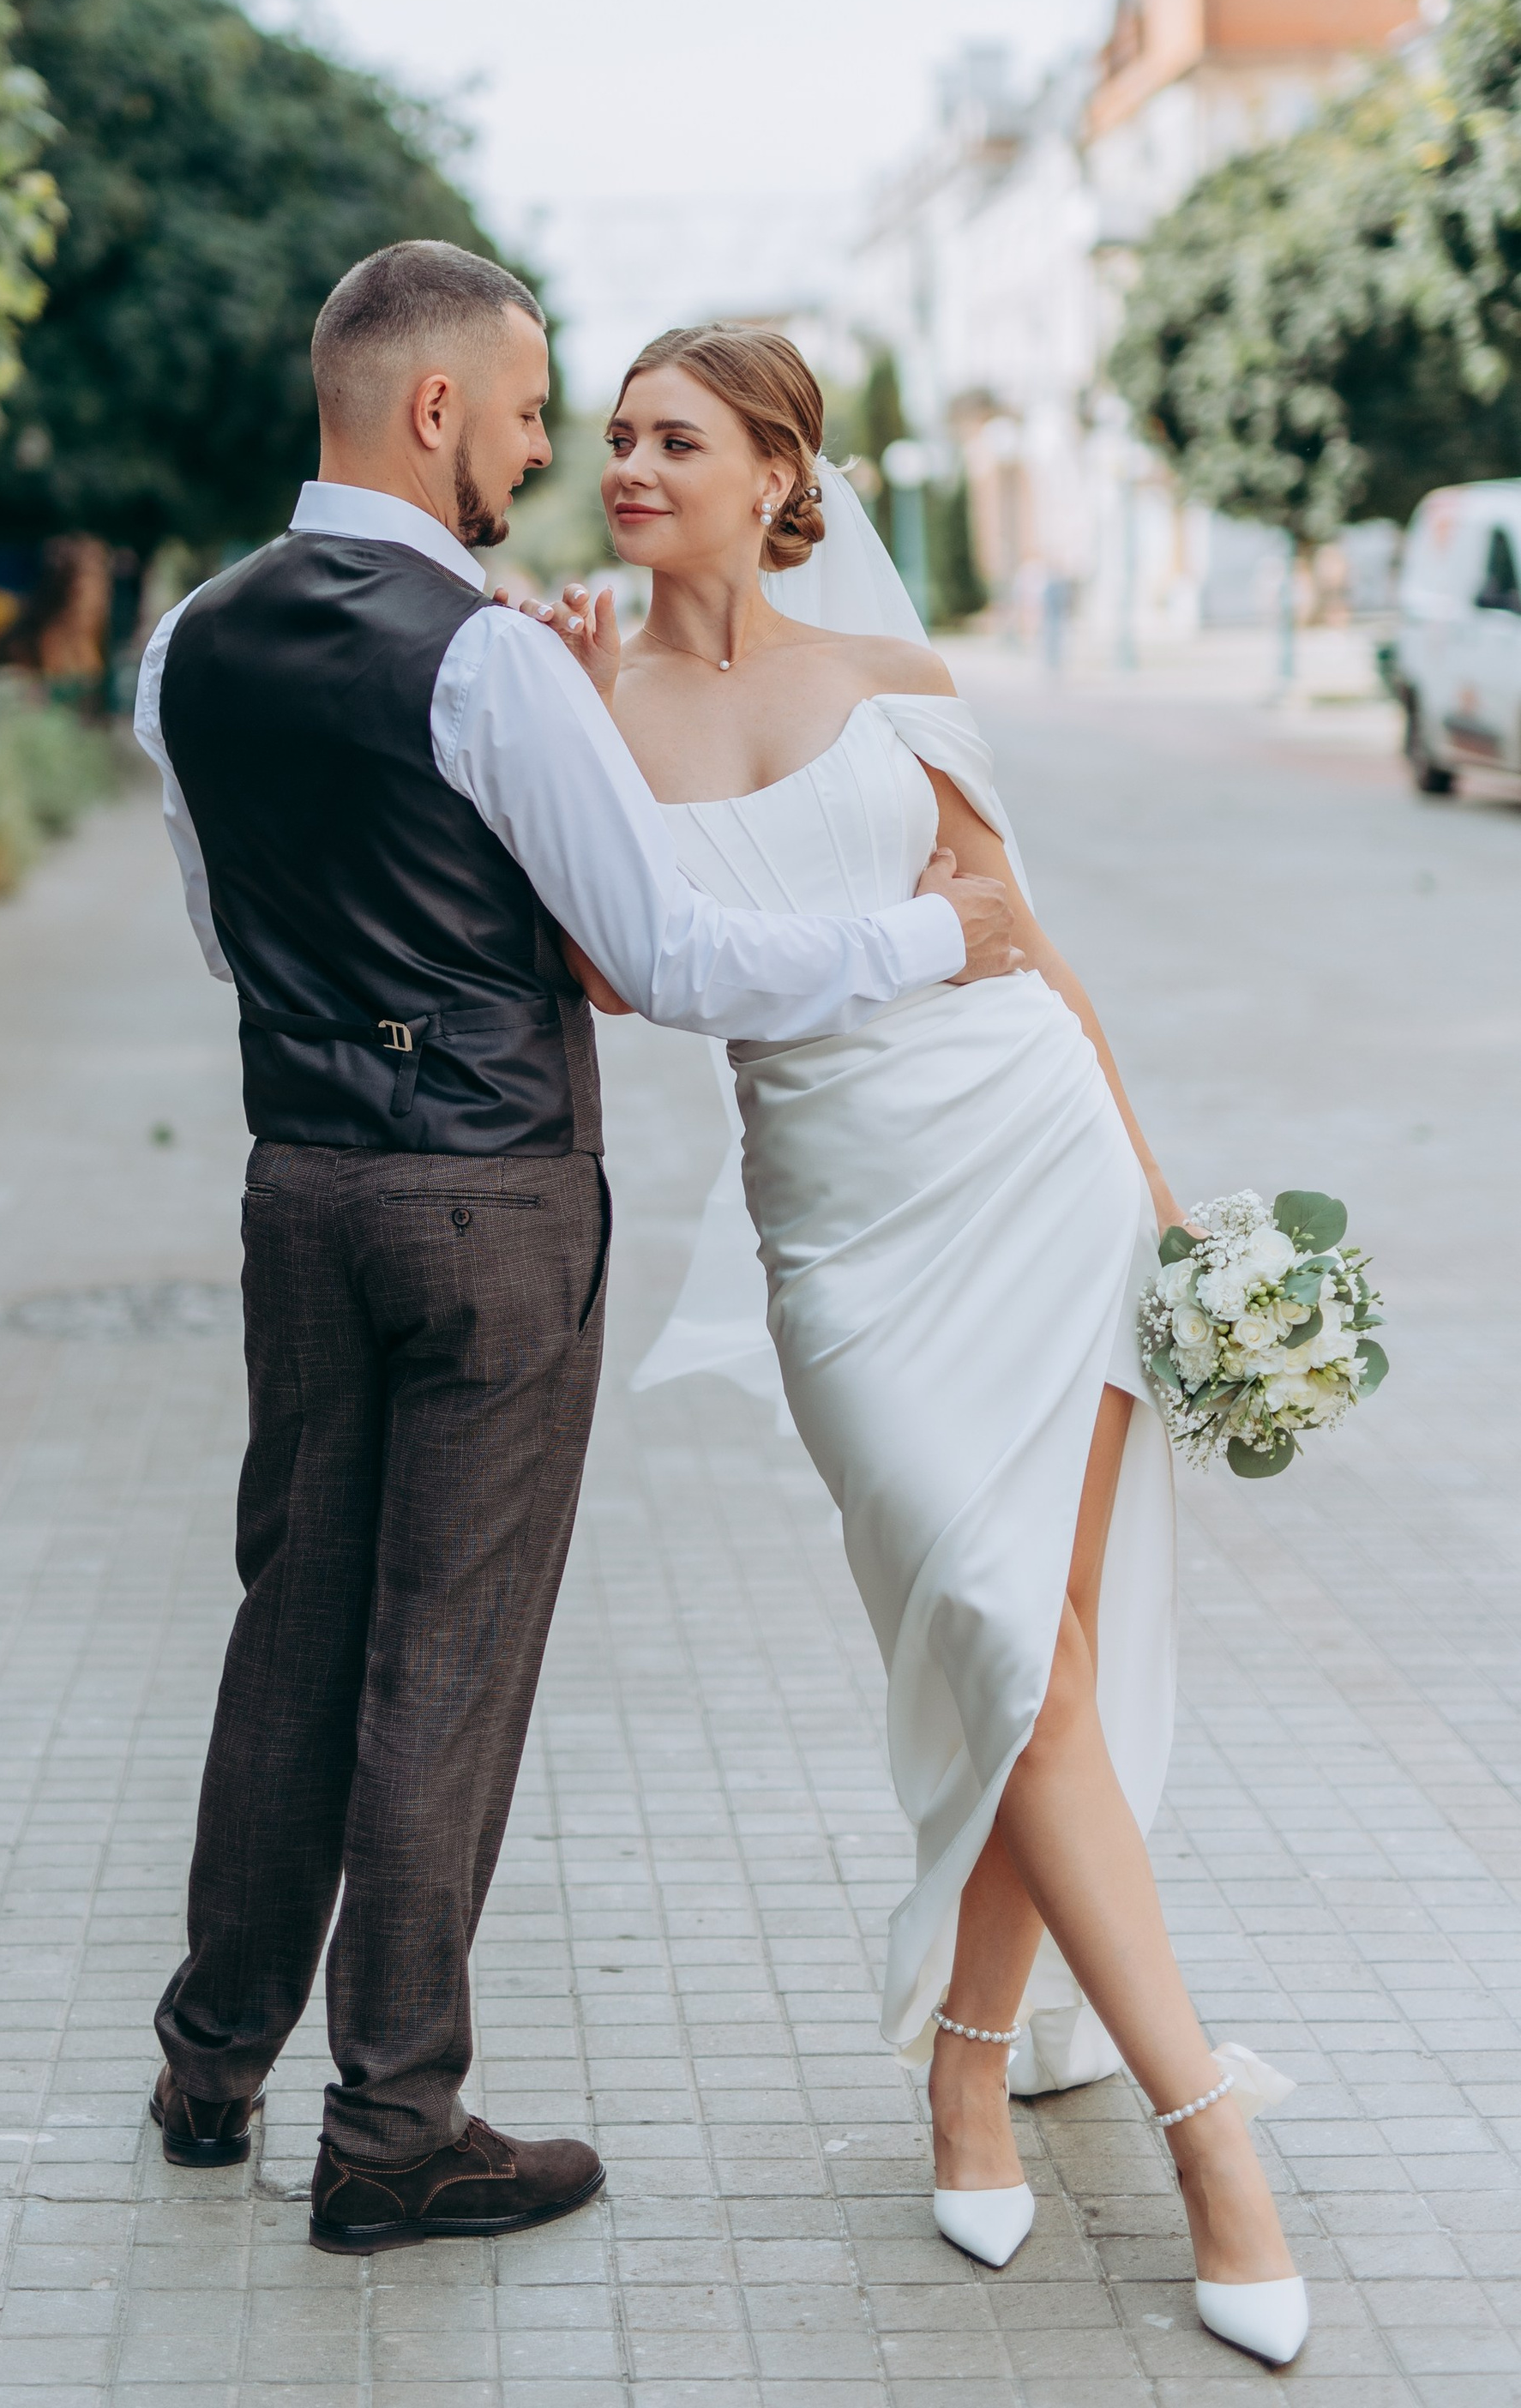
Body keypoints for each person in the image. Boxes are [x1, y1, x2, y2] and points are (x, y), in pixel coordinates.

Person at [132, 241, 1025, 2256]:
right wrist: (928, 934)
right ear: (433, 407)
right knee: (444, 1657)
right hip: (491, 1203)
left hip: (299, 1189)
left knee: (291, 1617)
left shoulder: (187, 636)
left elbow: (222, 936)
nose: (545, 451)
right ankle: (392, 2128)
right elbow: (670, 957)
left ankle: (210, 2065)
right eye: (533, 412)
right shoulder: (486, 655)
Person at [518, 322, 1308, 2369]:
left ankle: (1032, 2081)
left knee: (1022, 1650)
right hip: (842, 1228)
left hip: (1035, 1160)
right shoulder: (576, 697)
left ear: (782, 471)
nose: (624, 460)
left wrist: (1176, 1224)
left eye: (667, 435)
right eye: (609, 434)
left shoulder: (895, 682)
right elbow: (619, 975)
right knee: (977, 1615)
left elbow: (1027, 943)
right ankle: (1168, 2103)